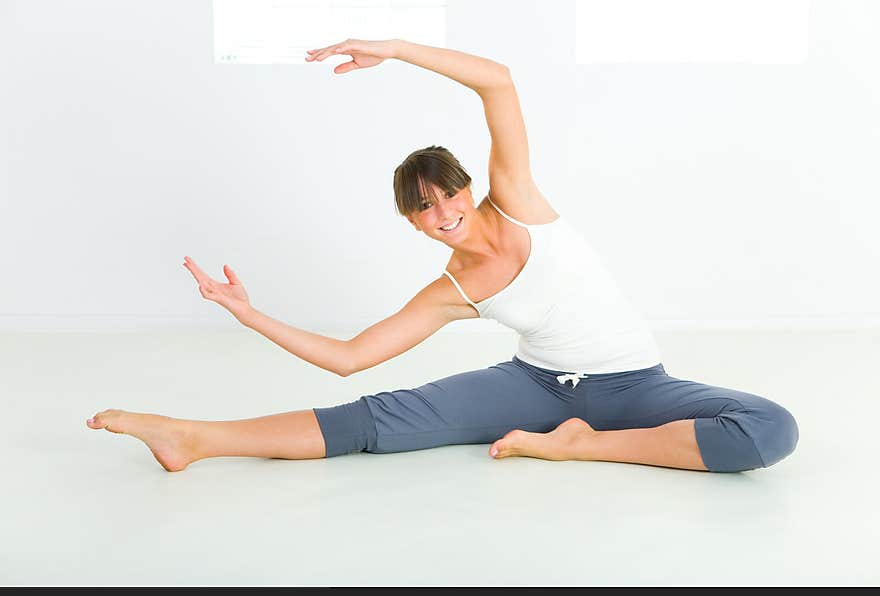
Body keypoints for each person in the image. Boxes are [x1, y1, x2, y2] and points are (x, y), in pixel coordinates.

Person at [86, 38, 799, 473]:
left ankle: (578, 447)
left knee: (770, 429)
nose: (443, 213)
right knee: (375, 419)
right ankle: (195, 438)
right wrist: (249, 314)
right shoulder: (450, 289)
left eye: (446, 194)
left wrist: (393, 48)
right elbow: (349, 356)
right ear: (413, 221)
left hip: (636, 385)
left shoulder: (517, 197)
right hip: (534, 388)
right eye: (423, 209)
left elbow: (498, 80)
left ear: (466, 186)